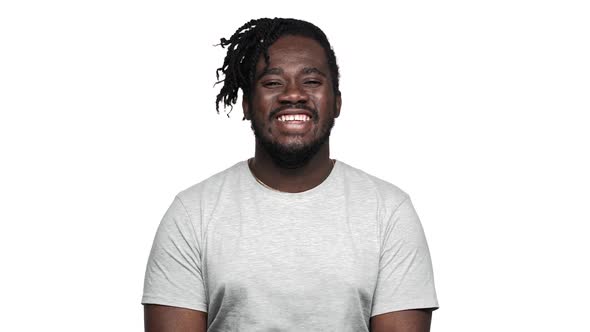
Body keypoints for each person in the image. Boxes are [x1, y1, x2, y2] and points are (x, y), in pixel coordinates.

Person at [142, 17, 439, 332]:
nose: (293, 94)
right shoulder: (192, 214)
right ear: (246, 104)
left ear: (337, 102)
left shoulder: (389, 212)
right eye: (272, 82)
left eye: (311, 81)